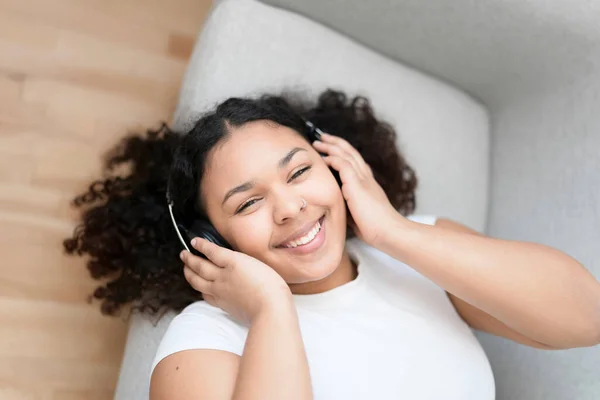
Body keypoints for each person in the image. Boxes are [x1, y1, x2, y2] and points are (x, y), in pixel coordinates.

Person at [64, 89, 600, 400]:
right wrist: (273, 311)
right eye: (247, 203)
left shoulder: (415, 250)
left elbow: (585, 317)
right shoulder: (203, 340)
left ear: (337, 167)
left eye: (298, 172)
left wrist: (393, 231)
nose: (291, 208)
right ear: (208, 239)